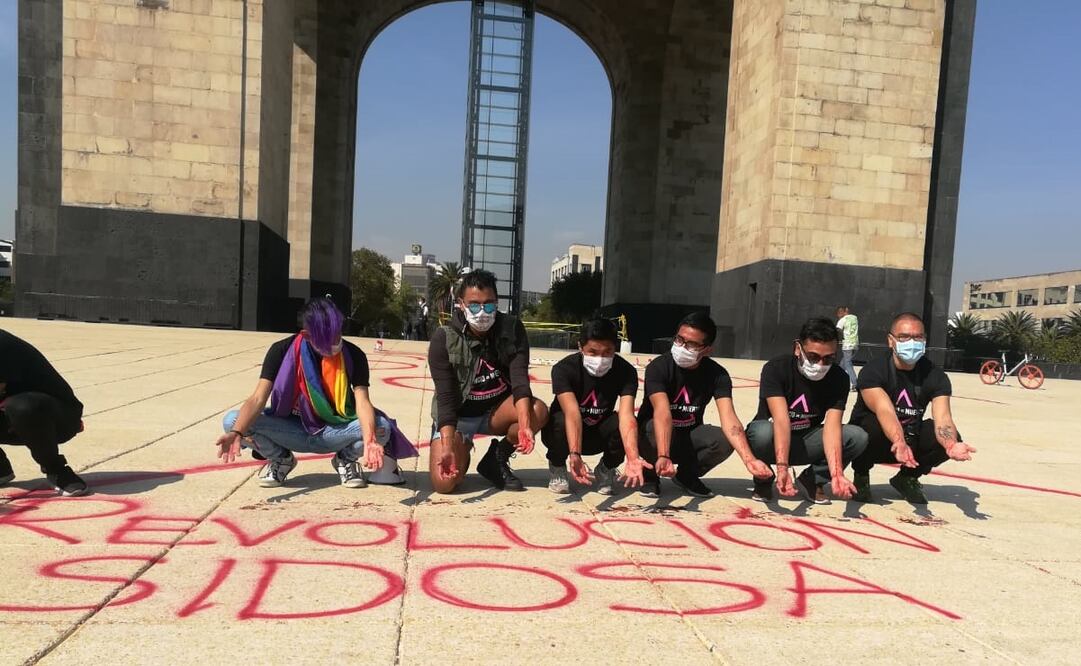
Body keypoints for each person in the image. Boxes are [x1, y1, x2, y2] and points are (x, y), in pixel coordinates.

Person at [215, 297, 417, 488]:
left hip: (335, 430)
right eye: (327, 338)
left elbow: (362, 401)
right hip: (291, 429)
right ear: (306, 335)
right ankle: (281, 459)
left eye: (338, 335)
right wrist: (236, 433)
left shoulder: (354, 355)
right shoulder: (281, 350)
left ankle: (345, 459)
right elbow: (258, 398)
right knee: (232, 421)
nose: (335, 342)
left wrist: (370, 440)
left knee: (382, 428)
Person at [427, 269, 548, 493]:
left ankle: (496, 458)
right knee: (444, 484)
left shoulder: (511, 329)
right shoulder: (444, 338)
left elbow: (520, 382)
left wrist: (524, 426)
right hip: (459, 417)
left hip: (495, 411)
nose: (482, 312)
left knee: (537, 411)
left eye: (489, 305)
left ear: (497, 303)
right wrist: (448, 446)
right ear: (461, 304)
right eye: (474, 305)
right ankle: (462, 447)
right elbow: (445, 397)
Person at [637, 312, 772, 498]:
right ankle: (650, 473)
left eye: (691, 344)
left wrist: (749, 460)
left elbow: (729, 417)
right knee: (653, 427)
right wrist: (664, 455)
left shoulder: (718, 375)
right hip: (655, 435)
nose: (682, 347)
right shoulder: (659, 367)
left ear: (707, 350)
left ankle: (687, 475)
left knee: (723, 440)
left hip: (689, 434)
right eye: (679, 339)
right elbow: (662, 412)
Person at [849, 312, 976, 504]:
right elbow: (885, 410)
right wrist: (898, 441)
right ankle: (861, 475)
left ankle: (907, 478)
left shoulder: (935, 375)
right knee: (868, 427)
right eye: (904, 337)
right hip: (878, 438)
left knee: (947, 436)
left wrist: (950, 444)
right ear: (891, 341)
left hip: (910, 436)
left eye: (918, 337)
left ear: (925, 340)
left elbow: (943, 417)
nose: (912, 342)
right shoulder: (874, 370)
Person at [745, 317, 868, 503]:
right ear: (798, 348)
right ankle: (764, 479)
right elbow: (781, 420)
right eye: (813, 357)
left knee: (856, 436)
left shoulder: (839, 378)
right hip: (772, 438)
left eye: (829, 358)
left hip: (807, 441)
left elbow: (832, 426)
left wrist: (837, 473)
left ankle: (813, 479)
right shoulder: (776, 369)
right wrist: (782, 467)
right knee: (761, 432)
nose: (820, 364)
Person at [541, 317, 649, 495]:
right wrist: (575, 454)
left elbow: (627, 415)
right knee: (559, 419)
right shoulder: (564, 369)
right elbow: (572, 412)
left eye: (607, 352)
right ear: (580, 347)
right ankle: (557, 465)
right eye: (593, 352)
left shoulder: (626, 371)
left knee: (624, 425)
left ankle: (606, 469)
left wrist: (632, 457)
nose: (600, 359)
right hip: (566, 432)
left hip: (598, 432)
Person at [0, 329, 88, 496]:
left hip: (56, 418)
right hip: (14, 415)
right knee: (17, 407)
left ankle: (56, 469)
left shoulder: (1, 343)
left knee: (22, 407)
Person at [836, 306, 859, 391]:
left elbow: (838, 329)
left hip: (847, 345)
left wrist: (842, 335)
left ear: (841, 312)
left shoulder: (842, 320)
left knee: (848, 364)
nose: (838, 315)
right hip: (855, 345)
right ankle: (836, 380)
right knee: (842, 365)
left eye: (838, 313)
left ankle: (855, 384)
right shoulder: (855, 318)